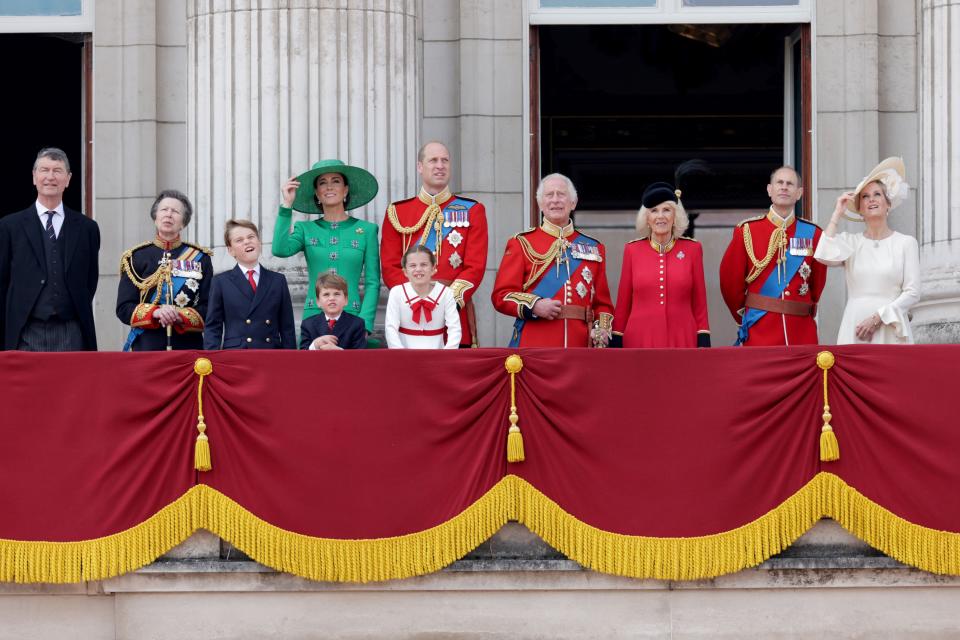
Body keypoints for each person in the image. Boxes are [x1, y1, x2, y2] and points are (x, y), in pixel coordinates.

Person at [380, 141, 487, 347]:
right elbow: (390, 265)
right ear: (420, 167)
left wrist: (445, 301)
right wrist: (411, 298)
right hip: (409, 314)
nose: (440, 165)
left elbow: (475, 267)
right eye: (433, 160)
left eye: (445, 160)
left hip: (454, 313)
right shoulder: (397, 212)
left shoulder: (473, 210)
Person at [492, 173, 614, 348]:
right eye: (549, 195)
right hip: (536, 345)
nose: (555, 200)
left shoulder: (594, 247)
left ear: (573, 202)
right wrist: (534, 305)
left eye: (561, 194)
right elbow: (501, 296)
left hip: (579, 345)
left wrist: (601, 329)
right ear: (540, 203)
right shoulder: (521, 243)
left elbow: (603, 304)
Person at [0, 148, 100, 351]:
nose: (50, 177)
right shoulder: (10, 226)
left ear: (68, 179)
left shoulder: (87, 228)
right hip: (25, 331)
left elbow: (90, 280)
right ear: (34, 177)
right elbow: (3, 281)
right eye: (44, 170)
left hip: (71, 331)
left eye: (57, 170)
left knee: (72, 383)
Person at [815, 157, 921, 344]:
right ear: (860, 209)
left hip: (890, 326)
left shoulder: (906, 243)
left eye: (877, 194)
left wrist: (878, 318)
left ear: (888, 204)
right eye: (865, 196)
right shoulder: (851, 242)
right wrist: (836, 214)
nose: (871, 199)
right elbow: (823, 255)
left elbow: (913, 293)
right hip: (855, 326)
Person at [719, 166, 827, 346]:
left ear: (799, 193)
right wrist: (748, 316)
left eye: (790, 184)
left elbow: (817, 284)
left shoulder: (813, 234)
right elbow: (730, 283)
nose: (784, 187)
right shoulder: (747, 230)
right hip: (760, 330)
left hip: (800, 332)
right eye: (780, 182)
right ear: (770, 190)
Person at [272, 159, 380, 335]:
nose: (329, 187)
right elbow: (280, 249)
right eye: (323, 183)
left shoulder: (367, 230)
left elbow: (373, 282)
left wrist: (365, 324)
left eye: (336, 181)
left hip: (352, 317)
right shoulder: (305, 229)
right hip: (314, 316)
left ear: (345, 189)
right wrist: (287, 205)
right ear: (317, 192)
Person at [612, 182, 710, 348]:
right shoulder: (632, 250)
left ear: (675, 216)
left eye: (666, 210)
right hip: (639, 338)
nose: (660, 216)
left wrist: (703, 335)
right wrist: (617, 336)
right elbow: (623, 302)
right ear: (647, 219)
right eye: (654, 211)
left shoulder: (692, 249)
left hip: (683, 337)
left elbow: (699, 301)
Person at [117, 190, 213, 351]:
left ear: (183, 222)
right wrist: (156, 312)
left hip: (188, 347)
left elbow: (209, 308)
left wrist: (179, 315)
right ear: (155, 218)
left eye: (175, 211)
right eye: (164, 210)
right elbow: (124, 308)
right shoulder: (136, 257)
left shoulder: (201, 258)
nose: (169, 215)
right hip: (147, 346)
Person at [203, 219, 296, 350]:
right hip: (236, 355)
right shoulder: (220, 282)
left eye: (251, 237)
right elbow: (213, 327)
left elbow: (287, 328)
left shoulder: (278, 280)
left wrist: (289, 362)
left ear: (259, 242)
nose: (247, 241)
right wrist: (212, 360)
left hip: (271, 353)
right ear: (231, 250)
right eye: (239, 240)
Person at [385, 245, 461, 349]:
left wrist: (446, 356)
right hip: (404, 356)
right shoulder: (397, 292)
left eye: (424, 264)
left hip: (438, 357)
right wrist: (400, 355)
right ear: (405, 271)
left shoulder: (446, 293)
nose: (418, 269)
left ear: (433, 268)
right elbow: (390, 328)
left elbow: (455, 329)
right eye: (412, 265)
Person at [300, 273, 367, 350]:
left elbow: (360, 357)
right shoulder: (308, 324)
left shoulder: (357, 324)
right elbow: (303, 356)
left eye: (337, 294)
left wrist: (339, 352)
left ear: (346, 300)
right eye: (326, 294)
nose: (332, 298)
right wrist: (315, 344)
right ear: (318, 302)